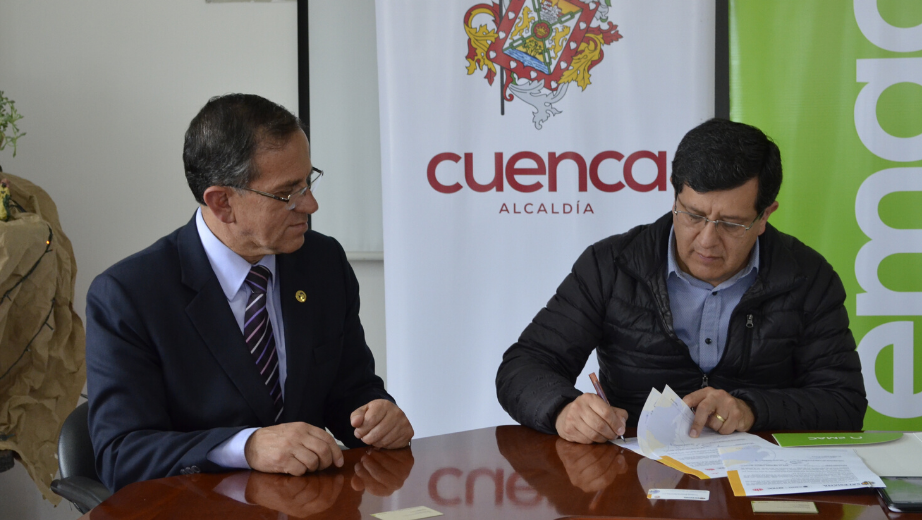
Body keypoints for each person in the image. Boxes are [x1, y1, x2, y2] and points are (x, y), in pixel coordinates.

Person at [86, 94, 413, 491]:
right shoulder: (129, 295)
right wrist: (246, 446)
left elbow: (350, 388)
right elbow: (121, 454)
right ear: (222, 202)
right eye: (287, 193)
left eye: (308, 181)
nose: (310, 204)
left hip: (310, 507)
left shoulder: (322, 262)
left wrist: (376, 415)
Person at [495, 118, 867, 444]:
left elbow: (844, 403)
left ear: (765, 216)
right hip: (635, 478)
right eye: (692, 215)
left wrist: (751, 409)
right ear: (675, 197)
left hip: (758, 486)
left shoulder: (807, 277)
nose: (706, 240)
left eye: (732, 224)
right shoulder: (612, 265)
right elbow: (523, 366)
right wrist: (562, 410)